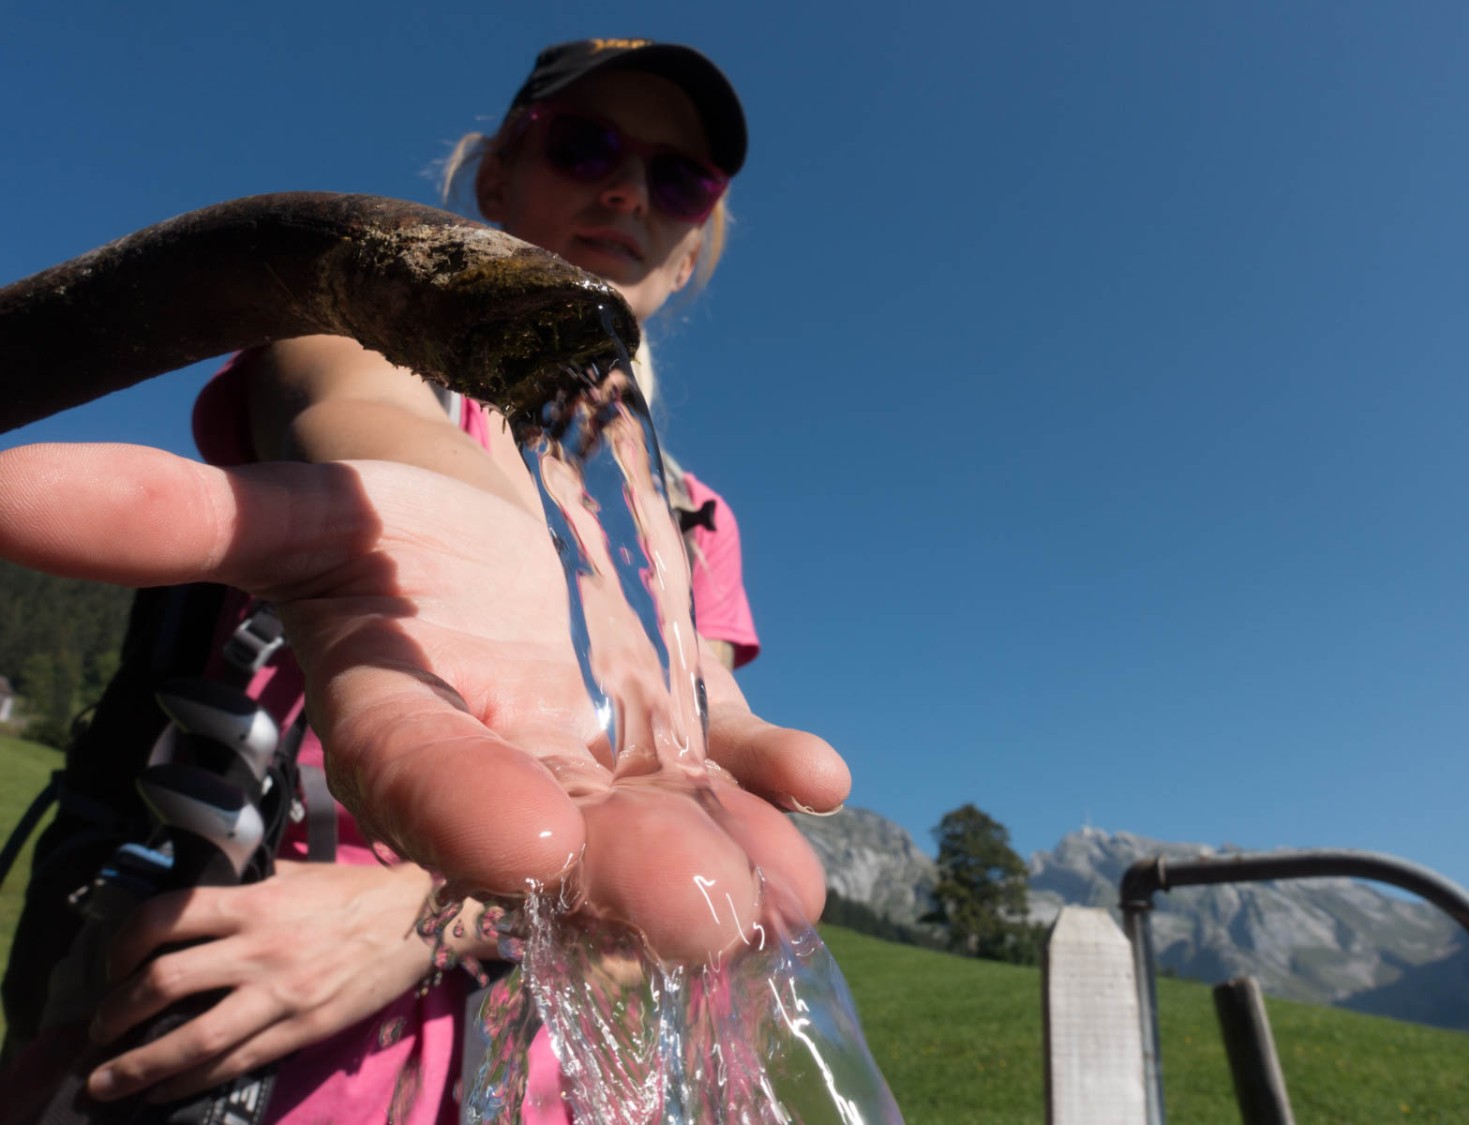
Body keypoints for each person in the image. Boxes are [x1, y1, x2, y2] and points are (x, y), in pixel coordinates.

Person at [0, 38, 849, 1124]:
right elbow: (345, 397)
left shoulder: (691, 523)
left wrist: (415, 923)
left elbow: (671, 869)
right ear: (496, 181)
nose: (629, 190)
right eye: (585, 146)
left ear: (690, 254)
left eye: (680, 180)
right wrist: (442, 490)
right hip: (218, 1044)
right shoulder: (352, 345)